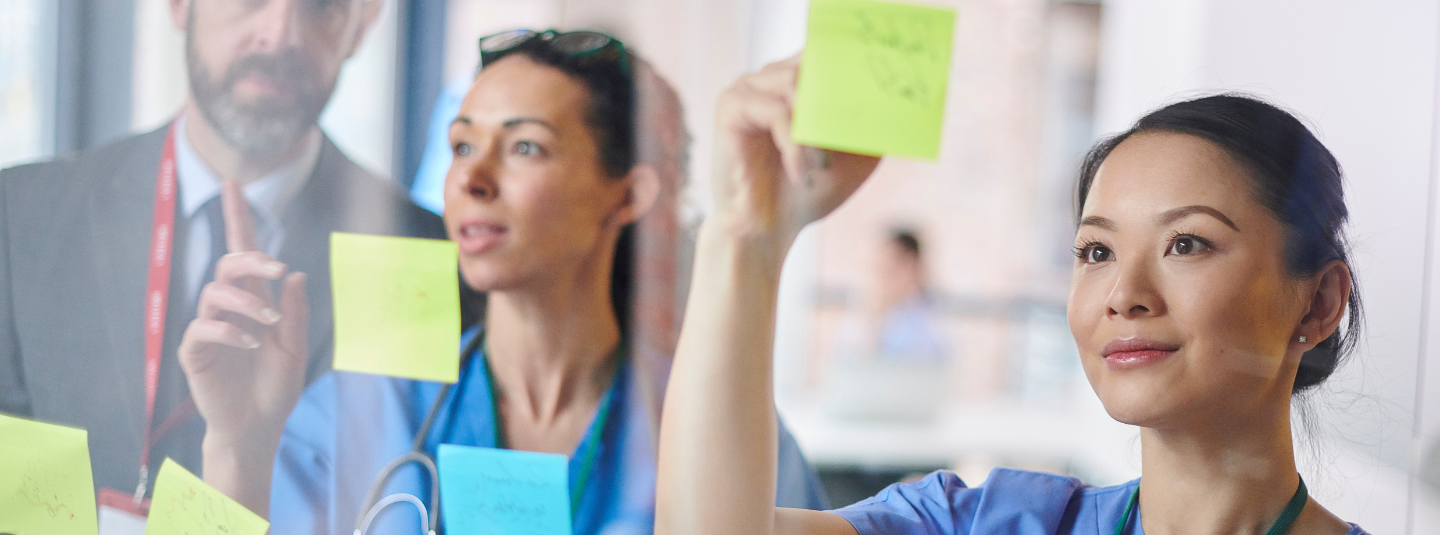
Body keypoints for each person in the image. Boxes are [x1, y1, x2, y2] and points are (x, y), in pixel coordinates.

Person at [655, 55, 1370, 535]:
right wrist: (745, 238)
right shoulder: (987, 520)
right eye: (1095, 251)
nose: (1123, 292)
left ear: (1317, 303)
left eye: (1187, 243)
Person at [187, 30, 827, 534]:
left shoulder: (718, 427)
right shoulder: (373, 404)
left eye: (525, 148)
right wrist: (237, 448)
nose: (472, 180)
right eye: (462, 146)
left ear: (627, 195)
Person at [0, 0, 444, 504]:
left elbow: (401, 501)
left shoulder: (422, 255)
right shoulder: (21, 219)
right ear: (178, 6)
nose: (279, 36)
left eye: (322, 7)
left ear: (361, 29)